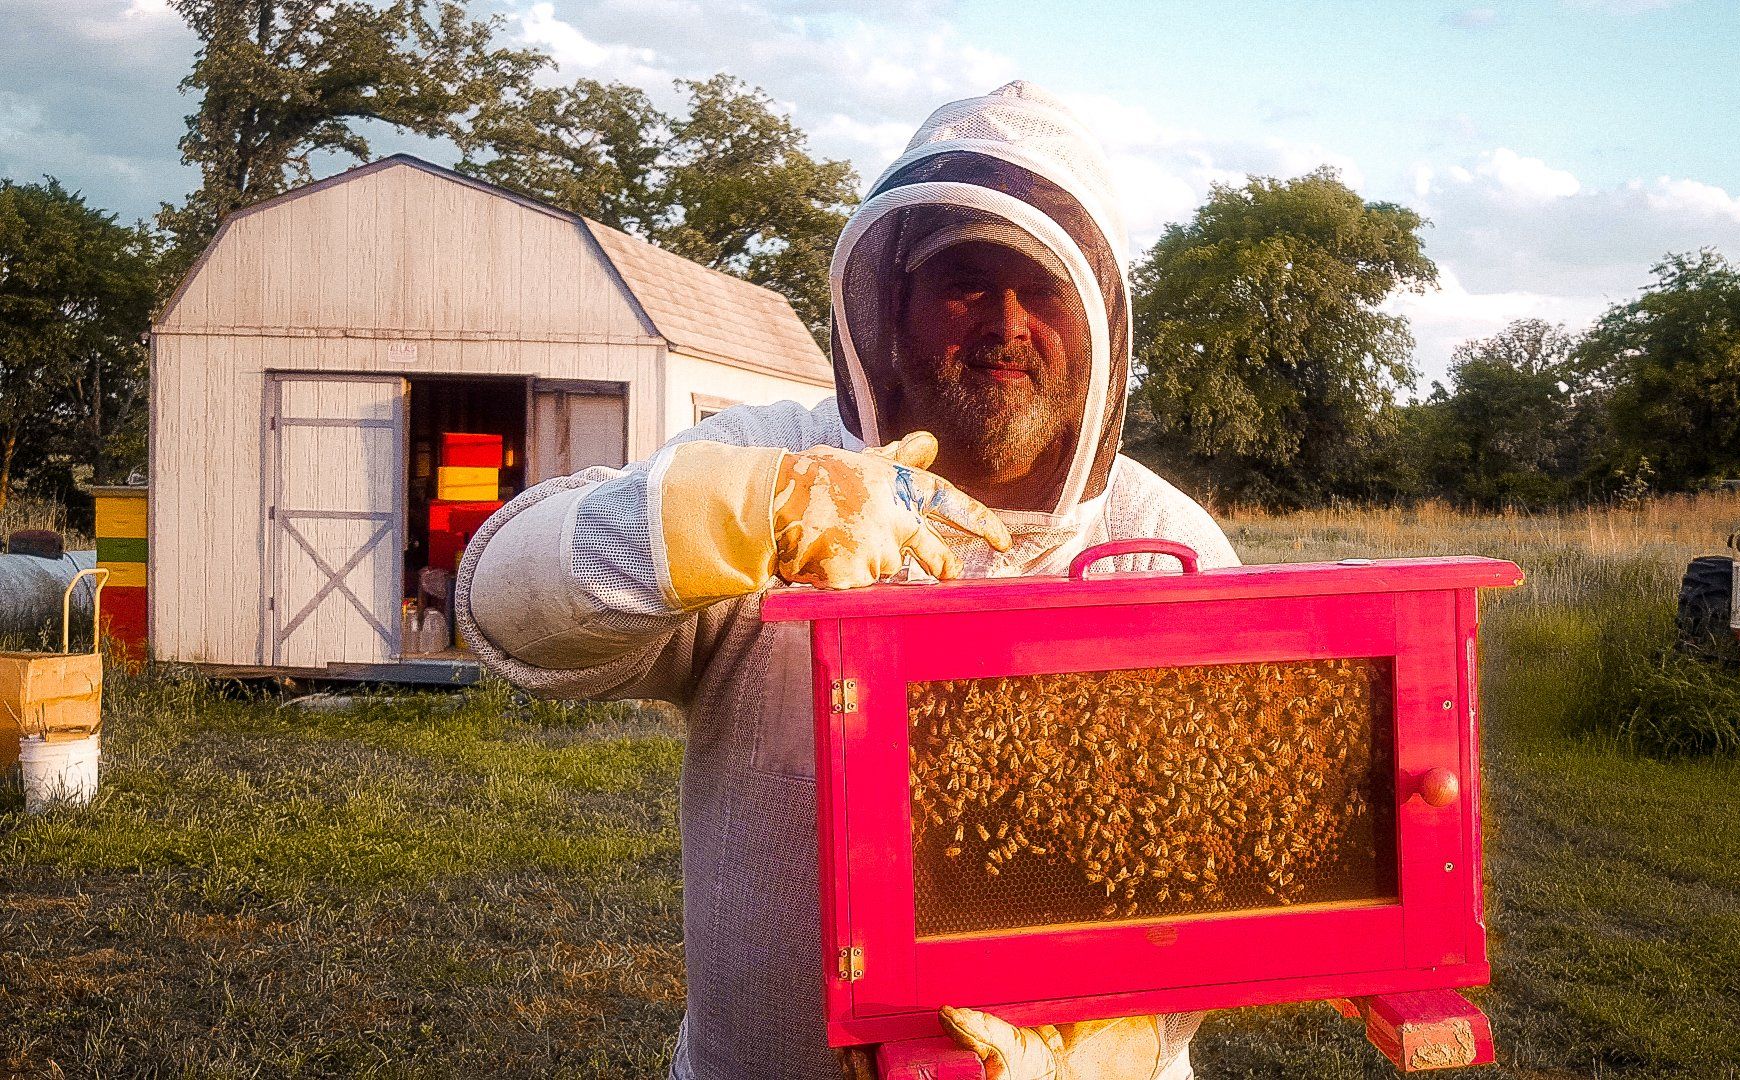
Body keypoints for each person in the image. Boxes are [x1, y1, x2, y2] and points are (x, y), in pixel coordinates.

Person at [455, 81, 1238, 1080]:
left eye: (1040, 287)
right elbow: (503, 609)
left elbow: (1214, 876)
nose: (1005, 322)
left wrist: (1112, 1045)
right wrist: (743, 514)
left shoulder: (1164, 545)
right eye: (964, 280)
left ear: (1097, 318)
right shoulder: (768, 456)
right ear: (892, 308)